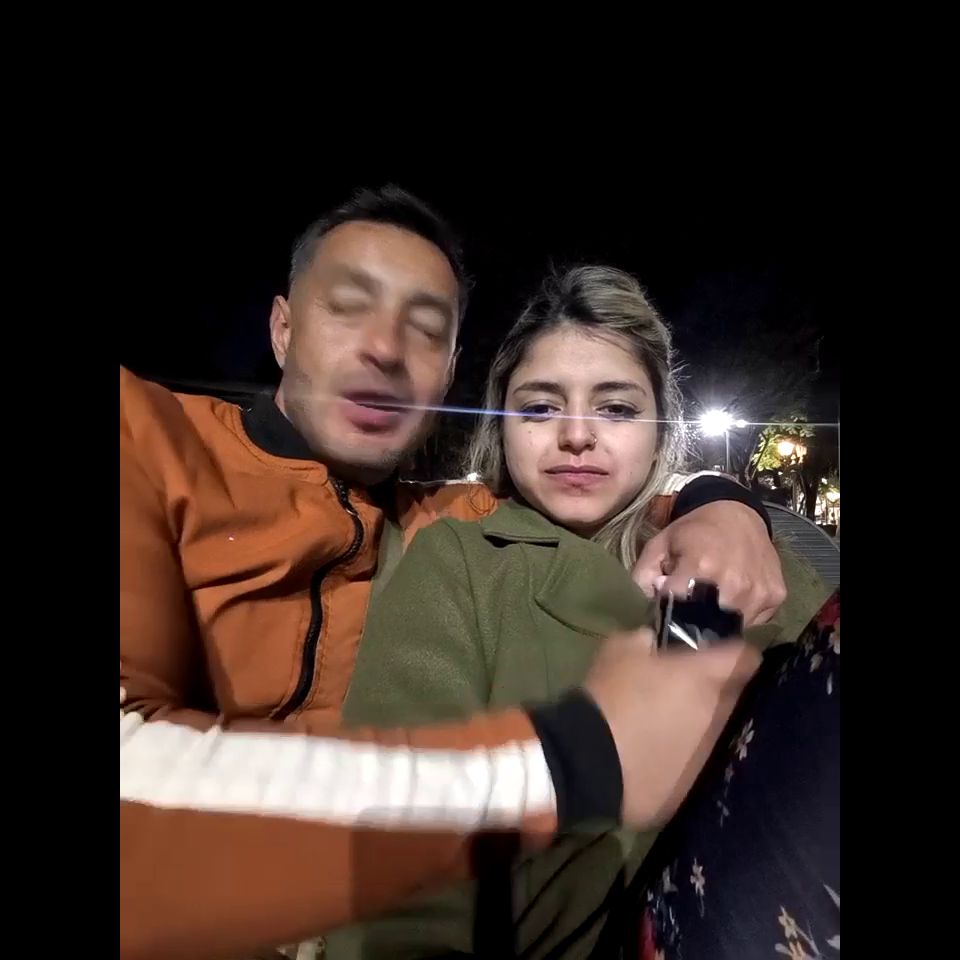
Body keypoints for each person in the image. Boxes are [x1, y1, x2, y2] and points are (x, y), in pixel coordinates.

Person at [120, 187, 786, 959]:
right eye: (349, 307)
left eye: (427, 331)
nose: (385, 348)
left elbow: (614, 491)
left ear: (448, 375)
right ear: (282, 327)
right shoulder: (147, 448)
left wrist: (721, 501)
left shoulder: (449, 516)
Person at [333, 266, 830, 958]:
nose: (575, 435)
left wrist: (726, 505)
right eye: (539, 408)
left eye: (617, 409)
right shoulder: (463, 564)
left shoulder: (736, 555)